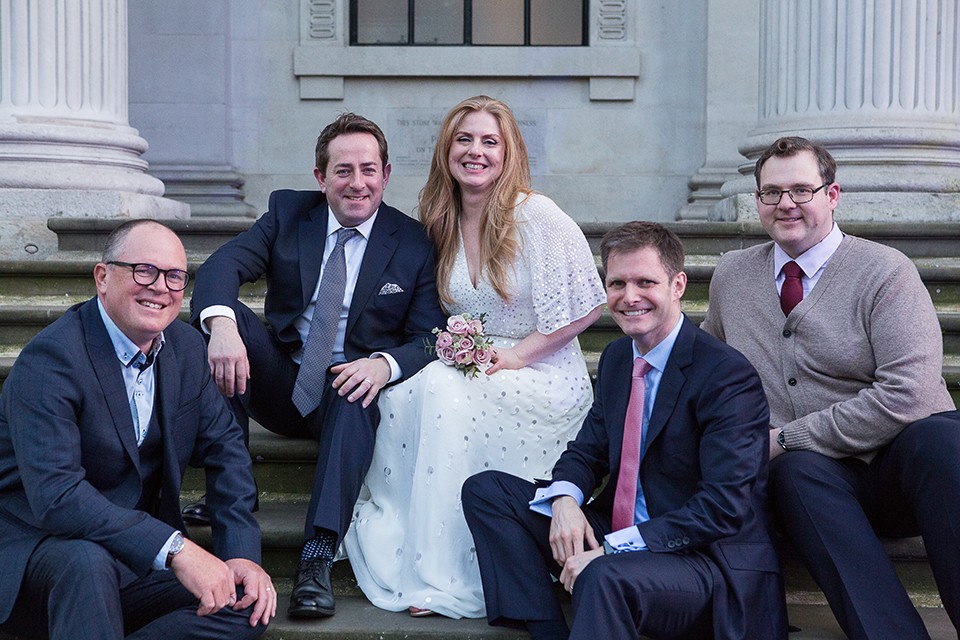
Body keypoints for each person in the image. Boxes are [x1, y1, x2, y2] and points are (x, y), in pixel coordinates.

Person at [343, 95, 605, 619]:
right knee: (404, 390)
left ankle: (445, 575)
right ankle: (417, 554)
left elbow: (587, 306)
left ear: (509, 153)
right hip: (477, 366)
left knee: (440, 388)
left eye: (490, 141)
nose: (476, 151)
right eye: (464, 139)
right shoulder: (438, 220)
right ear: (447, 149)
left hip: (543, 375)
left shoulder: (537, 214)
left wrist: (514, 356)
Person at [462, 221, 788, 640]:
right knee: (488, 491)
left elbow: (723, 507)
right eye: (617, 283)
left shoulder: (726, 375)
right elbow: (588, 451)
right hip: (620, 538)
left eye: (645, 282)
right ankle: (548, 631)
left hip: (704, 561)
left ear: (678, 285)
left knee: (602, 575)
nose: (629, 297)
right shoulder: (619, 358)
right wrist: (563, 499)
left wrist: (612, 549)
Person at [187, 112, 446, 619]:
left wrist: (384, 364)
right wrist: (220, 327)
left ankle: (316, 557)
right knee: (224, 322)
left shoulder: (414, 242)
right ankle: (233, 494)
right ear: (320, 178)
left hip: (351, 394)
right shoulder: (288, 215)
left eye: (369, 170)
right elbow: (223, 265)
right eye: (343, 170)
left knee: (356, 390)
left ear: (386, 176)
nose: (358, 183)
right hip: (285, 381)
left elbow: (431, 336)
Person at [701, 136, 960, 639]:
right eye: (772, 193)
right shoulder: (732, 275)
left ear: (833, 195)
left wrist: (784, 437)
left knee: (942, 439)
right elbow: (709, 372)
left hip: (898, 472)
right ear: (757, 201)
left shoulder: (886, 272)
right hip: (816, 487)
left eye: (802, 189)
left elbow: (908, 394)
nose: (786, 204)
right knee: (793, 473)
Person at [0, 220, 276, 640]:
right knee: (85, 562)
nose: (160, 287)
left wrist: (241, 555)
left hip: (129, 562)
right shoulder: (52, 360)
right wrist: (178, 549)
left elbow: (227, 452)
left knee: (244, 600)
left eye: (174, 276)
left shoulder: (185, 349)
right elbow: (57, 498)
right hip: (41, 553)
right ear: (103, 277)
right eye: (143, 271)